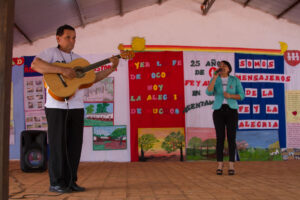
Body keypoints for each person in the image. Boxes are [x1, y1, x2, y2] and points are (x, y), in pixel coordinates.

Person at [31, 24, 119, 193]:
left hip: (77, 107)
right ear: (58, 38)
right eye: (68, 37)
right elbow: (36, 65)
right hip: (56, 107)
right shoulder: (50, 53)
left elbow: (92, 78)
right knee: (57, 145)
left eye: (74, 37)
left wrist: (111, 68)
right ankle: (56, 183)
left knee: (74, 145)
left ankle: (71, 181)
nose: (72, 41)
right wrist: (61, 71)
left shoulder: (79, 60)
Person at [206, 60, 245, 176]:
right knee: (220, 138)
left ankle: (231, 164)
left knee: (231, 138)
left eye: (224, 65)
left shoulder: (235, 80)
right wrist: (214, 77)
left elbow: (242, 95)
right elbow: (208, 92)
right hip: (218, 111)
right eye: (220, 66)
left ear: (229, 68)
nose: (222, 67)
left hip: (231, 110)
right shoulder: (216, 79)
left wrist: (231, 96)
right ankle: (220, 164)